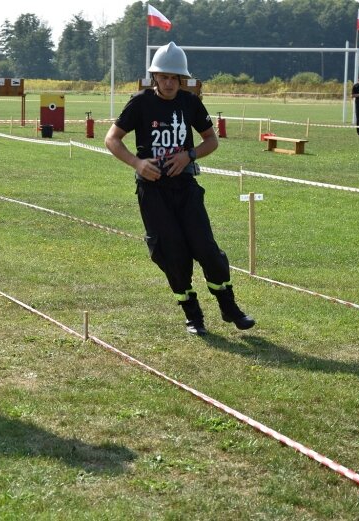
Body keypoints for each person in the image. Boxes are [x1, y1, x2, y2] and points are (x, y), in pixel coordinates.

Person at [104, 41, 255, 337]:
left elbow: (212, 140)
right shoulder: (140, 103)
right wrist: (137, 163)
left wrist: (190, 154)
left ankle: (229, 307)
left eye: (175, 78)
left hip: (186, 187)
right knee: (171, 253)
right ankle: (193, 315)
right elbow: (112, 139)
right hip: (154, 192)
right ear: (154, 77)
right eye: (164, 77)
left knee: (206, 248)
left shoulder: (191, 103)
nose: (170, 83)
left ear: (182, 80)